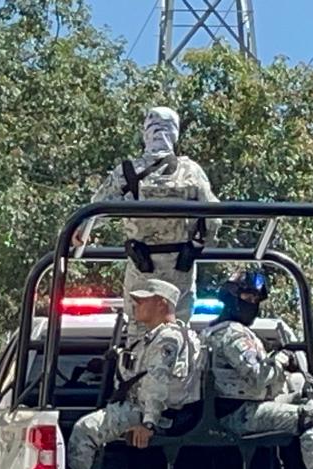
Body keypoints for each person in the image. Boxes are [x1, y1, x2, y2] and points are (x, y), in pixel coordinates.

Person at [76, 106, 220, 345]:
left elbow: (94, 210)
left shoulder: (127, 172)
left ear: (146, 133)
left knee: (138, 332)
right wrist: (197, 245)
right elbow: (213, 218)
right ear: (174, 133)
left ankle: (136, 376)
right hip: (180, 267)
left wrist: (80, 233)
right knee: (178, 331)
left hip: (141, 266)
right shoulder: (192, 171)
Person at [203, 269, 313, 469]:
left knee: (303, 392)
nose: (252, 305)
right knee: (311, 417)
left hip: (234, 408)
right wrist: (282, 357)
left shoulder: (211, 331)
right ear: (232, 297)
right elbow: (259, 376)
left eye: (255, 300)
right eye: (247, 298)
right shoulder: (232, 334)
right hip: (239, 413)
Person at [67, 279, 202, 469]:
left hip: (157, 413)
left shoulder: (168, 338)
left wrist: (148, 424)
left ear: (161, 303)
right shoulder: (158, 336)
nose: (135, 305)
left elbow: (158, 382)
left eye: (141, 300)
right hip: (148, 408)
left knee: (84, 430)